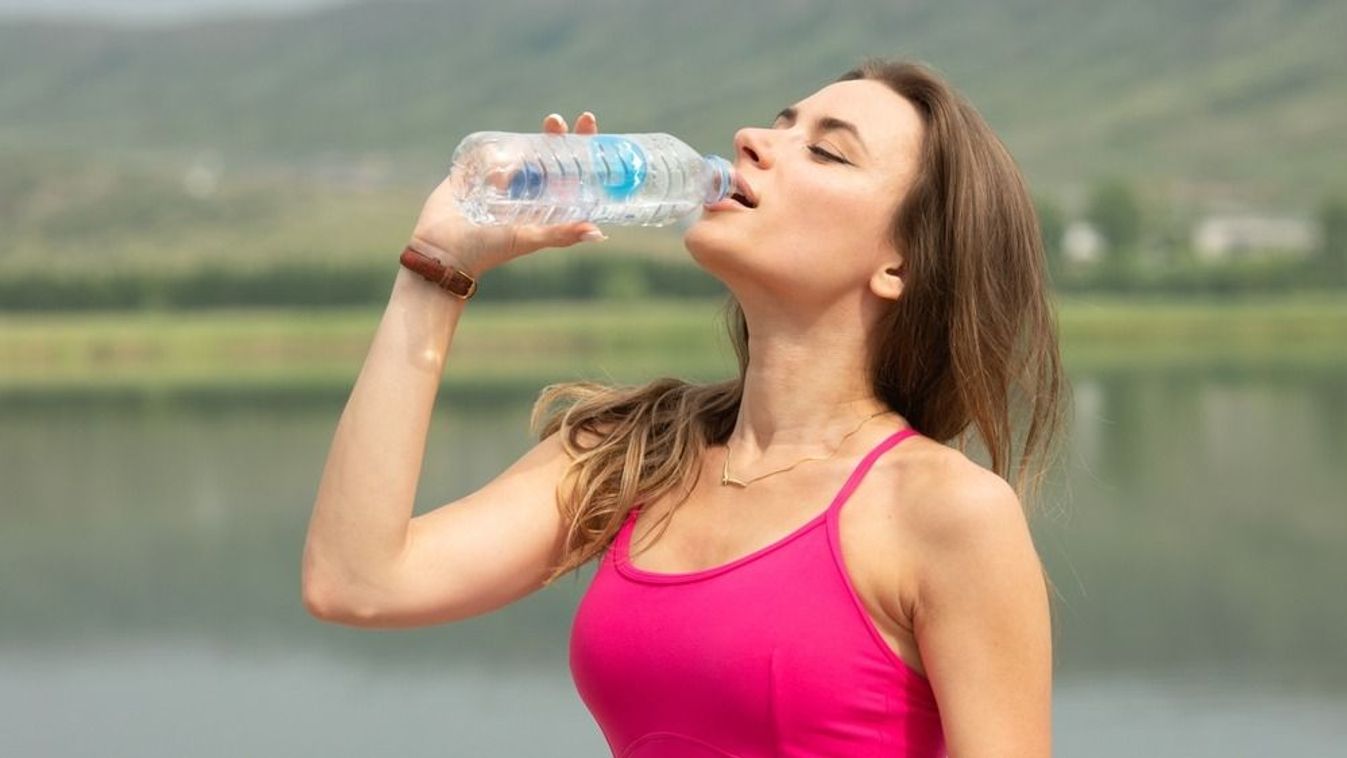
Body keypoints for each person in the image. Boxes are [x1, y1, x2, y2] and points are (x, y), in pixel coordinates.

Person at [303, 55, 1066, 757]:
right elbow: (356, 581)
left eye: (827, 150)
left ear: (899, 263)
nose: (751, 141)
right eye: (777, 124)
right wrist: (436, 266)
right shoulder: (634, 454)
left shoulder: (947, 514)